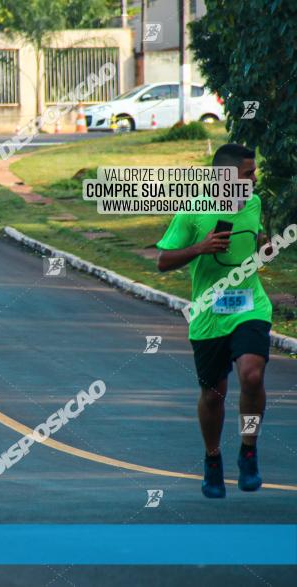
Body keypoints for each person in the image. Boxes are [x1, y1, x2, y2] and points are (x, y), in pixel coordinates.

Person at [157, 143, 270, 498]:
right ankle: (213, 458)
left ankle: (248, 449)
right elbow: (163, 261)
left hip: (250, 305)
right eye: (248, 173)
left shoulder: (253, 203)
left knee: (252, 375)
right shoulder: (193, 210)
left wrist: (262, 248)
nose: (254, 179)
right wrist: (199, 248)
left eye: (254, 172)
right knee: (213, 394)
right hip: (208, 313)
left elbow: (253, 245)